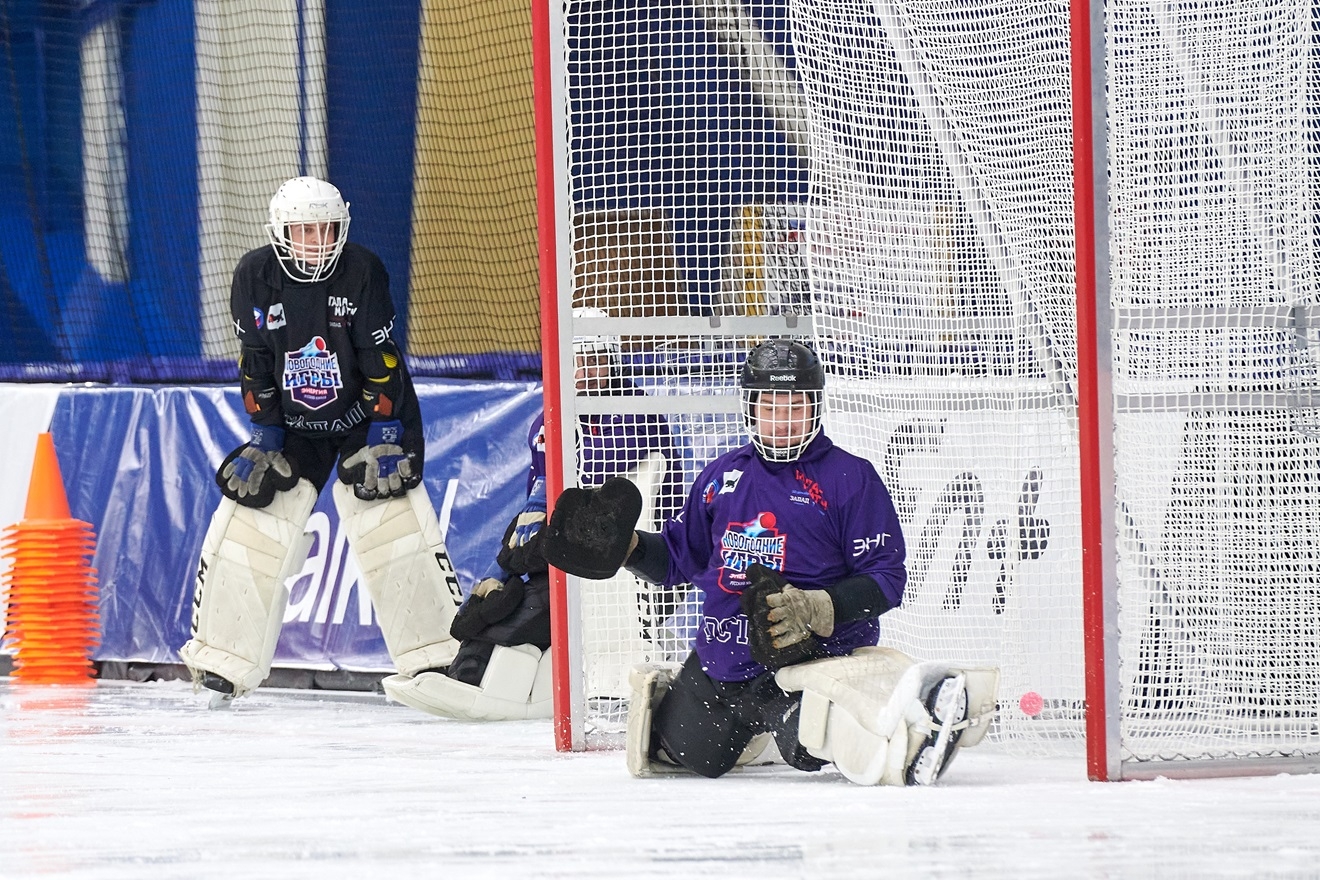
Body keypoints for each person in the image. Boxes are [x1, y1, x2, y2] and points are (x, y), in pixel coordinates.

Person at [542, 338, 999, 785]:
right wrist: (631, 550)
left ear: (816, 407)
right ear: (750, 407)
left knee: (815, 740)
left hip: (809, 663)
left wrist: (818, 607)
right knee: (680, 754)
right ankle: (729, 725)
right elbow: (681, 560)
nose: (783, 421)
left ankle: (914, 725)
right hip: (722, 662)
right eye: (771, 407)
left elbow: (886, 579)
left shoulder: (849, 478)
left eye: (796, 406)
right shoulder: (721, 475)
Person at [178, 176, 463, 708]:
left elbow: (381, 362)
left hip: (366, 414)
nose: (316, 241)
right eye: (304, 230)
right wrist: (264, 435)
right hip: (292, 423)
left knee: (390, 517)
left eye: (326, 229)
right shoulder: (253, 276)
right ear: (281, 231)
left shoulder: (362, 271)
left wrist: (383, 433)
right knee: (256, 514)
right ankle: (222, 662)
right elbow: (255, 365)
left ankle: (437, 657)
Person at [383, 308, 682, 720]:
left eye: (593, 357)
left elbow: (588, 480)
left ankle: (492, 681)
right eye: (574, 357)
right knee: (502, 600)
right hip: (577, 553)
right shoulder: (549, 421)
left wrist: (543, 504)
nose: (583, 369)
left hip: (640, 574)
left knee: (535, 606)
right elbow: (534, 510)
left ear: (612, 360)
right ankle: (473, 670)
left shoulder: (638, 415)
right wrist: (499, 569)